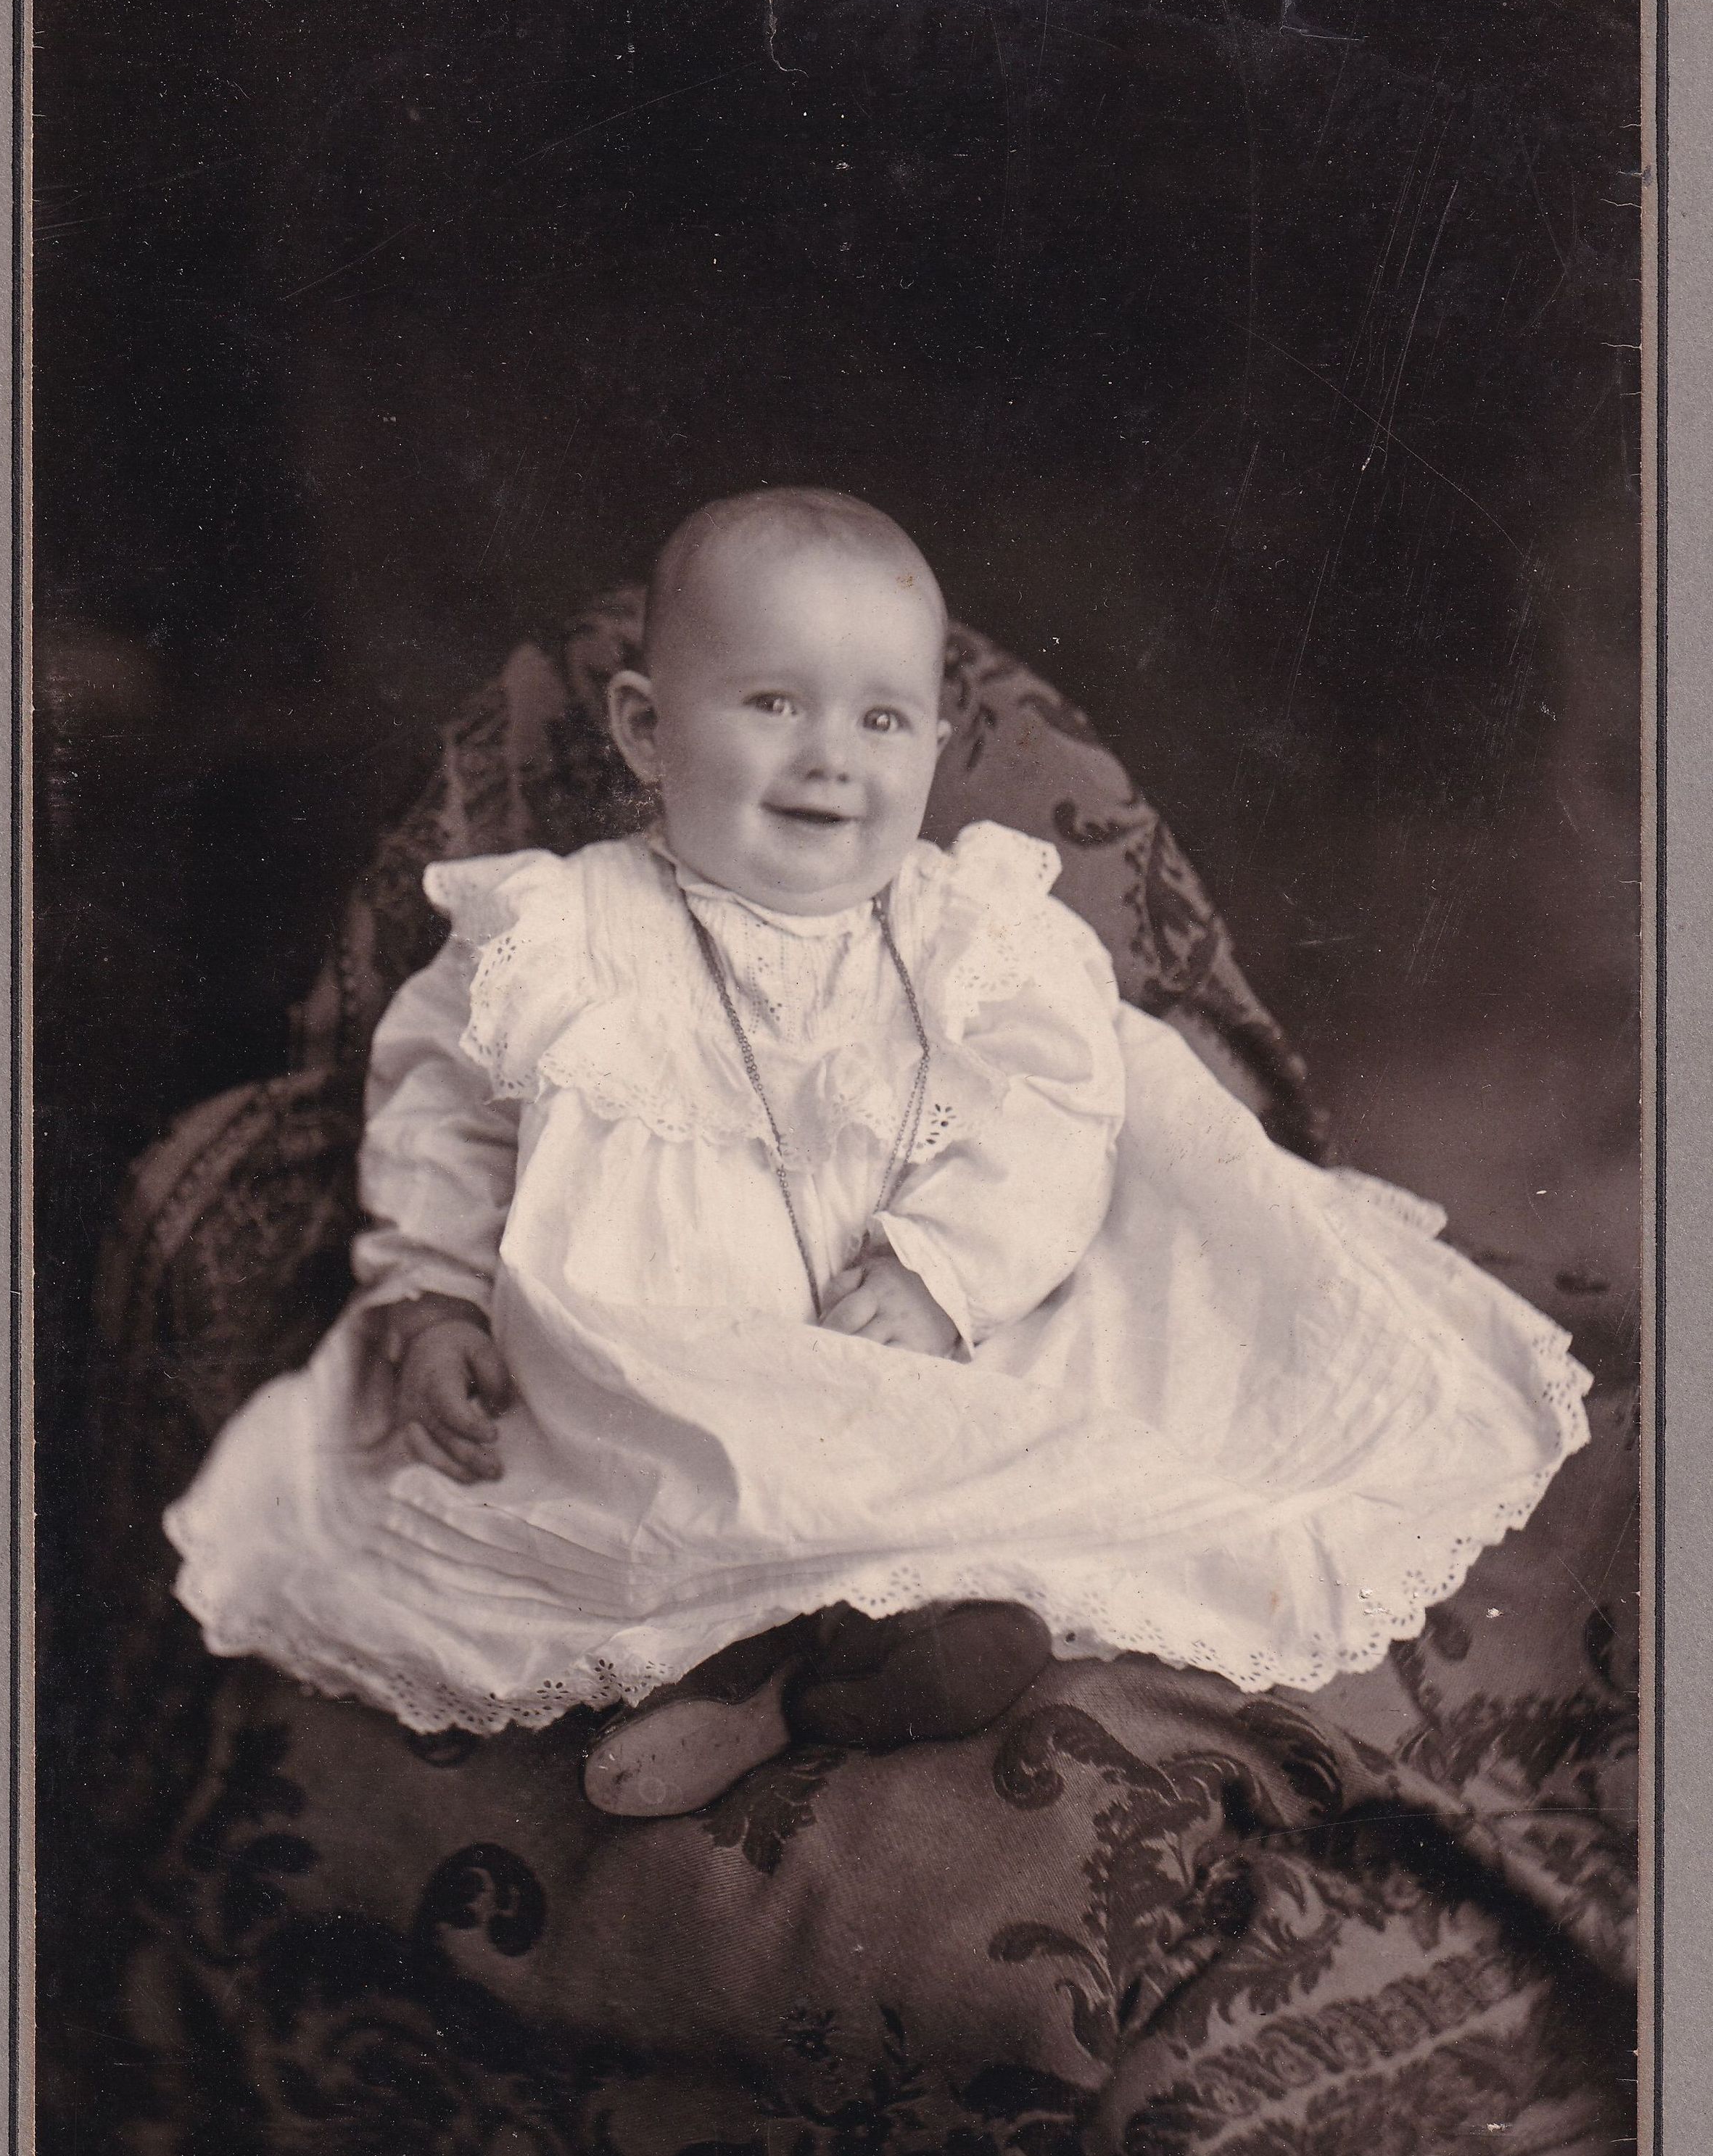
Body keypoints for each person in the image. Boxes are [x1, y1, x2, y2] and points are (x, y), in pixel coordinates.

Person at [165, 487, 1591, 1820]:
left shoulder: (969, 933)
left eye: (884, 719)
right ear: (648, 730)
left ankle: (839, 1667)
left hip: (919, 1341)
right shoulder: (558, 931)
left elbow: (1053, 1120)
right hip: (656, 1370)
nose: (832, 757)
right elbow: (442, 1116)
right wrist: (429, 1300)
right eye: (775, 704)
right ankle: (757, 1676)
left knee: (1020, 1451)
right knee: (661, 1505)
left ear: (934, 743)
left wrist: (941, 1270)